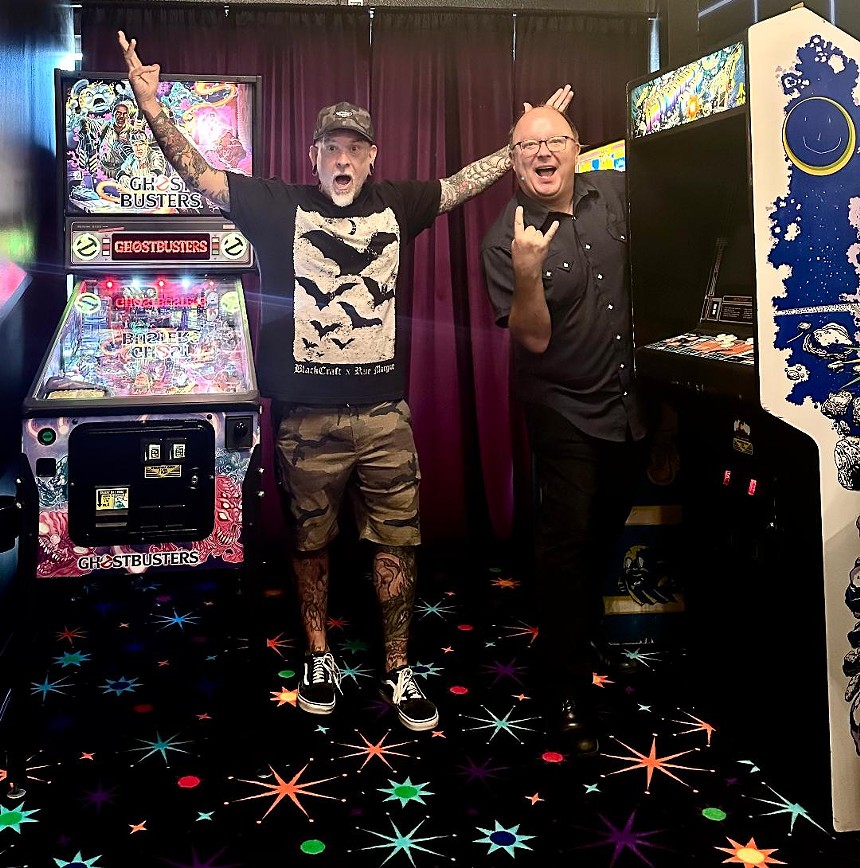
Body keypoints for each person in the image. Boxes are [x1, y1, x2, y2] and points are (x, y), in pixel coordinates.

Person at [118, 30, 571, 733]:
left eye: (354, 148)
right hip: (306, 419)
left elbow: (460, 185)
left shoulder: (397, 203)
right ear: (313, 157)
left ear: (371, 158)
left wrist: (524, 145)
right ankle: (320, 654)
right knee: (309, 543)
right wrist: (151, 108)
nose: (342, 159)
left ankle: (397, 665)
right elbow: (200, 177)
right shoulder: (277, 205)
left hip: (385, 415)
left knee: (399, 542)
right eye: (331, 147)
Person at [481, 105, 647, 754]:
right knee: (566, 544)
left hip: (629, 402)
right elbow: (534, 338)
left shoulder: (616, 195)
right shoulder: (505, 236)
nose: (543, 154)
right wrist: (527, 270)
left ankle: (581, 626)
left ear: (577, 149)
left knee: (607, 529)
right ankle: (566, 688)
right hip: (562, 406)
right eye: (528, 146)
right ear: (513, 160)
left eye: (555, 141)